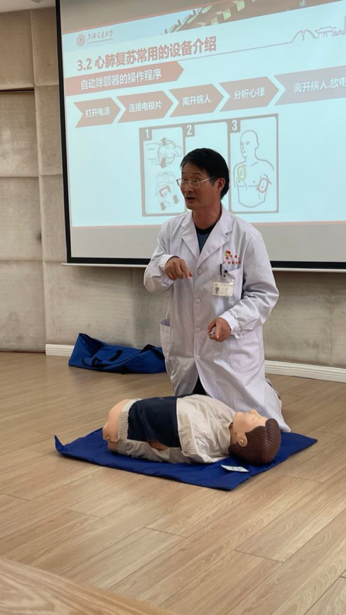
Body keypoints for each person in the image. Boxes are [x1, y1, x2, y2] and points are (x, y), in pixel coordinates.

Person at [144, 147, 289, 432]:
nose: (187, 188)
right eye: (184, 180)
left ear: (219, 183)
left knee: (250, 428)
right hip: (187, 351)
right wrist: (164, 265)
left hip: (228, 353)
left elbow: (264, 294)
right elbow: (150, 281)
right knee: (192, 427)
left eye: (196, 180)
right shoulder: (171, 231)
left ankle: (267, 392)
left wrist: (230, 320)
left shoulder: (245, 236)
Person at [101, 395, 281, 466]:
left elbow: (158, 442)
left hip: (119, 428)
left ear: (242, 439)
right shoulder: (227, 418)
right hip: (130, 409)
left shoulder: (200, 438)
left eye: (254, 419)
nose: (253, 411)